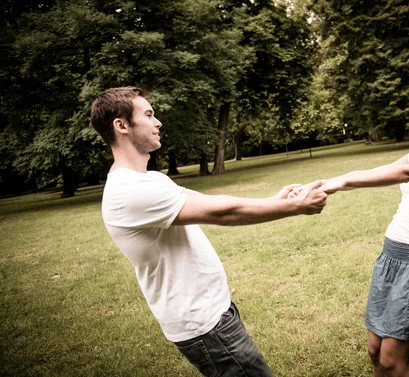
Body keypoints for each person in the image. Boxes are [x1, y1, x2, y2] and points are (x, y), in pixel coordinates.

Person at [90, 86, 328, 377]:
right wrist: (295, 208)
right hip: (203, 324)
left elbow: (208, 202)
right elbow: (222, 213)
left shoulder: (150, 180)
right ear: (122, 125)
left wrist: (274, 200)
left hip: (211, 312)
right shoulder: (129, 191)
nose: (158, 122)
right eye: (149, 115)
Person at [301, 81, 409, 377]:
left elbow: (407, 174)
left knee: (391, 361)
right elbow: (377, 171)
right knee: (375, 352)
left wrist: (340, 184)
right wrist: (324, 183)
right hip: (390, 259)